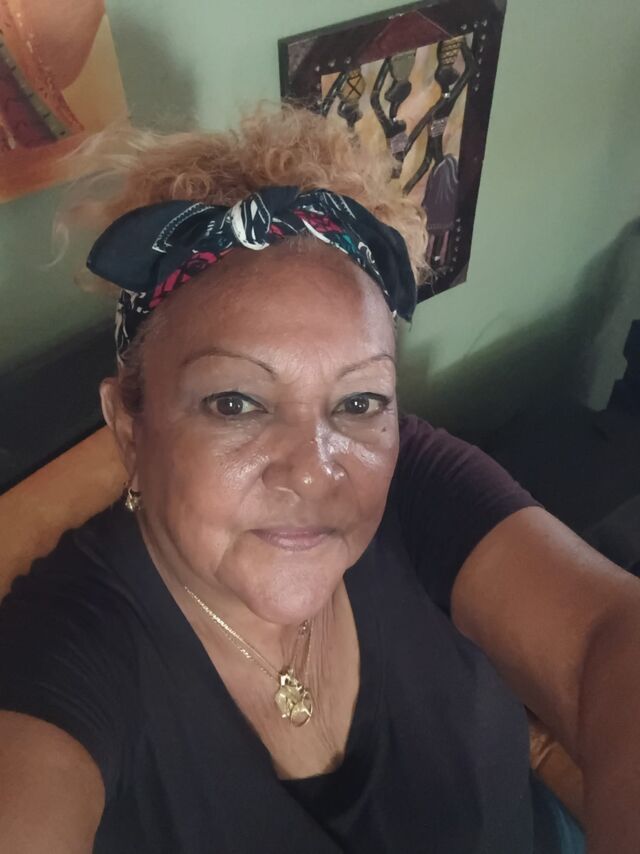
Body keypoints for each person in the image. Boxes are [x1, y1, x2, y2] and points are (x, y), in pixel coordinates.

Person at [0, 106, 638, 854]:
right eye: (235, 402)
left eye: (358, 402)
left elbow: (603, 639)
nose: (313, 470)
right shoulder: (64, 646)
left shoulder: (412, 474)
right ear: (130, 431)